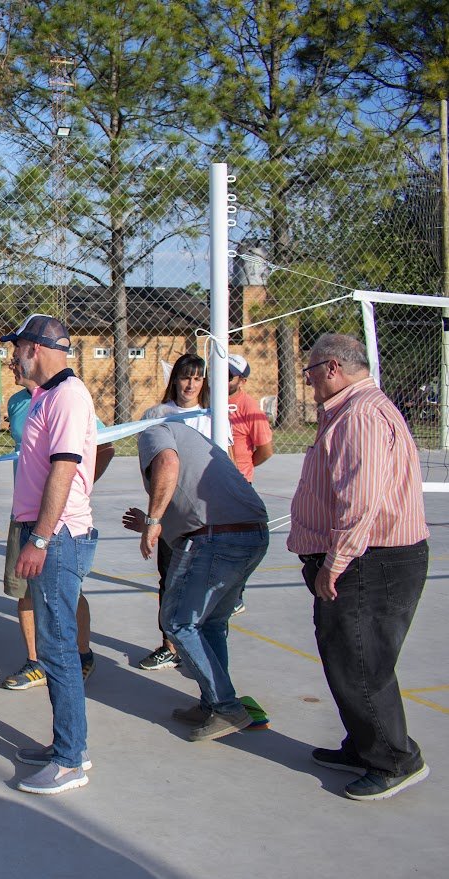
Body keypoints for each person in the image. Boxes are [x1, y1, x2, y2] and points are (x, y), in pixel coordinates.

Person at [289, 333, 431, 801]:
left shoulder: (361, 415)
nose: (308, 384)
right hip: (368, 558)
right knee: (345, 656)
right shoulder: (355, 411)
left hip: (373, 560)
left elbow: (360, 500)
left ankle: (395, 760)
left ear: (331, 368)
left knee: (361, 663)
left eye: (310, 373)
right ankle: (366, 746)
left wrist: (335, 562)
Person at [121, 421, 268, 741]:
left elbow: (167, 463)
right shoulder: (196, 442)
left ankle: (226, 706)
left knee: (178, 622)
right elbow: (191, 501)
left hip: (217, 538)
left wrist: (154, 520)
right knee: (212, 623)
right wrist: (150, 523)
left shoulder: (154, 430)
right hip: (251, 533)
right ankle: (213, 703)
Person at [5, 314, 99, 796]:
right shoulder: (46, 397)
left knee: (58, 648)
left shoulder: (68, 396)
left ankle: (70, 760)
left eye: (15, 349)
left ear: (34, 349)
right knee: (53, 644)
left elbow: (66, 469)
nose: (11, 357)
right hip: (49, 532)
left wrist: (40, 538)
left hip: (57, 538)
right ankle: (68, 744)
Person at [0, 356, 114, 691]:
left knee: (66, 593)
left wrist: (80, 486)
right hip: (23, 513)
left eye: (17, 354)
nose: (11, 364)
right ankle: (36, 662)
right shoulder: (18, 402)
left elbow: (103, 447)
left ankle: (82, 654)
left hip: (58, 519)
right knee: (24, 591)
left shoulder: (68, 397)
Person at [137, 351, 211, 672]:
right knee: (169, 579)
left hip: (207, 515)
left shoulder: (213, 416)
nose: (190, 384)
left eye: (197, 378)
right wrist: (155, 514)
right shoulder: (158, 413)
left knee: (203, 583)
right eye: (185, 377)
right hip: (172, 514)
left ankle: (198, 643)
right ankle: (169, 644)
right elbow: (154, 465)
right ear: (175, 379)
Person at [226, 354, 273, 483]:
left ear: (242, 381)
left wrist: (244, 466)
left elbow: (266, 451)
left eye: (229, 376)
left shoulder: (249, 407)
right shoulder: (207, 399)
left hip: (237, 480)